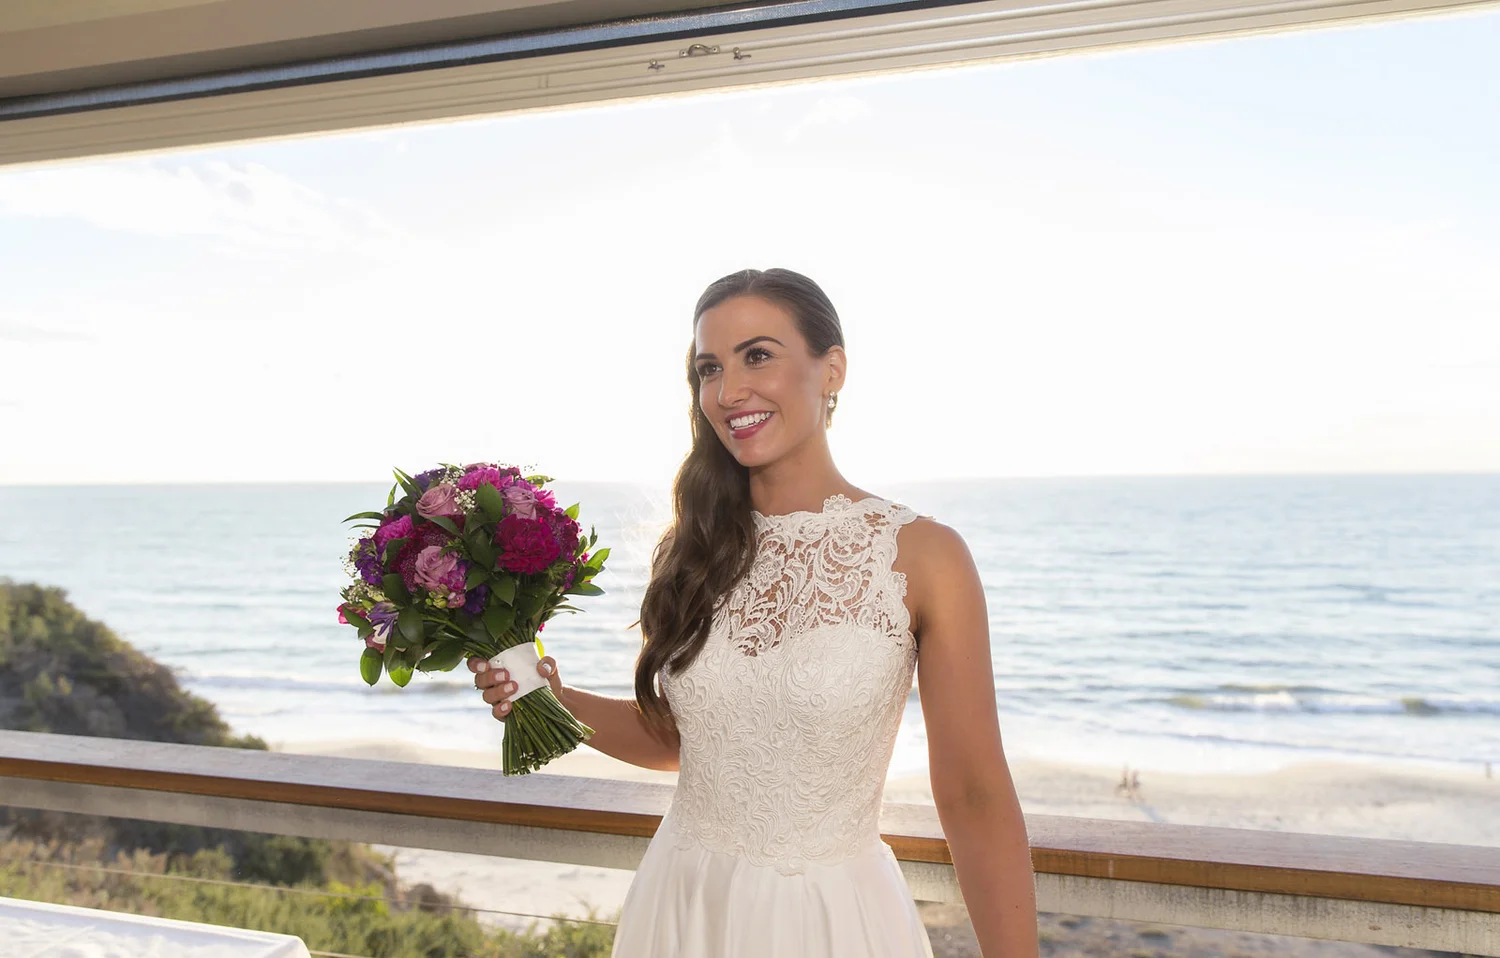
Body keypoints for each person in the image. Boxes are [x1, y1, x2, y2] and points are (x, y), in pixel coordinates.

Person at [469, 267, 1038, 957]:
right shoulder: (695, 548)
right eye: (710, 368)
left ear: (832, 371)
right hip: (682, 904)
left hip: (825, 921)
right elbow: (689, 743)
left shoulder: (924, 556)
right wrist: (550, 697)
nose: (728, 390)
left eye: (757, 356)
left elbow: (974, 793)